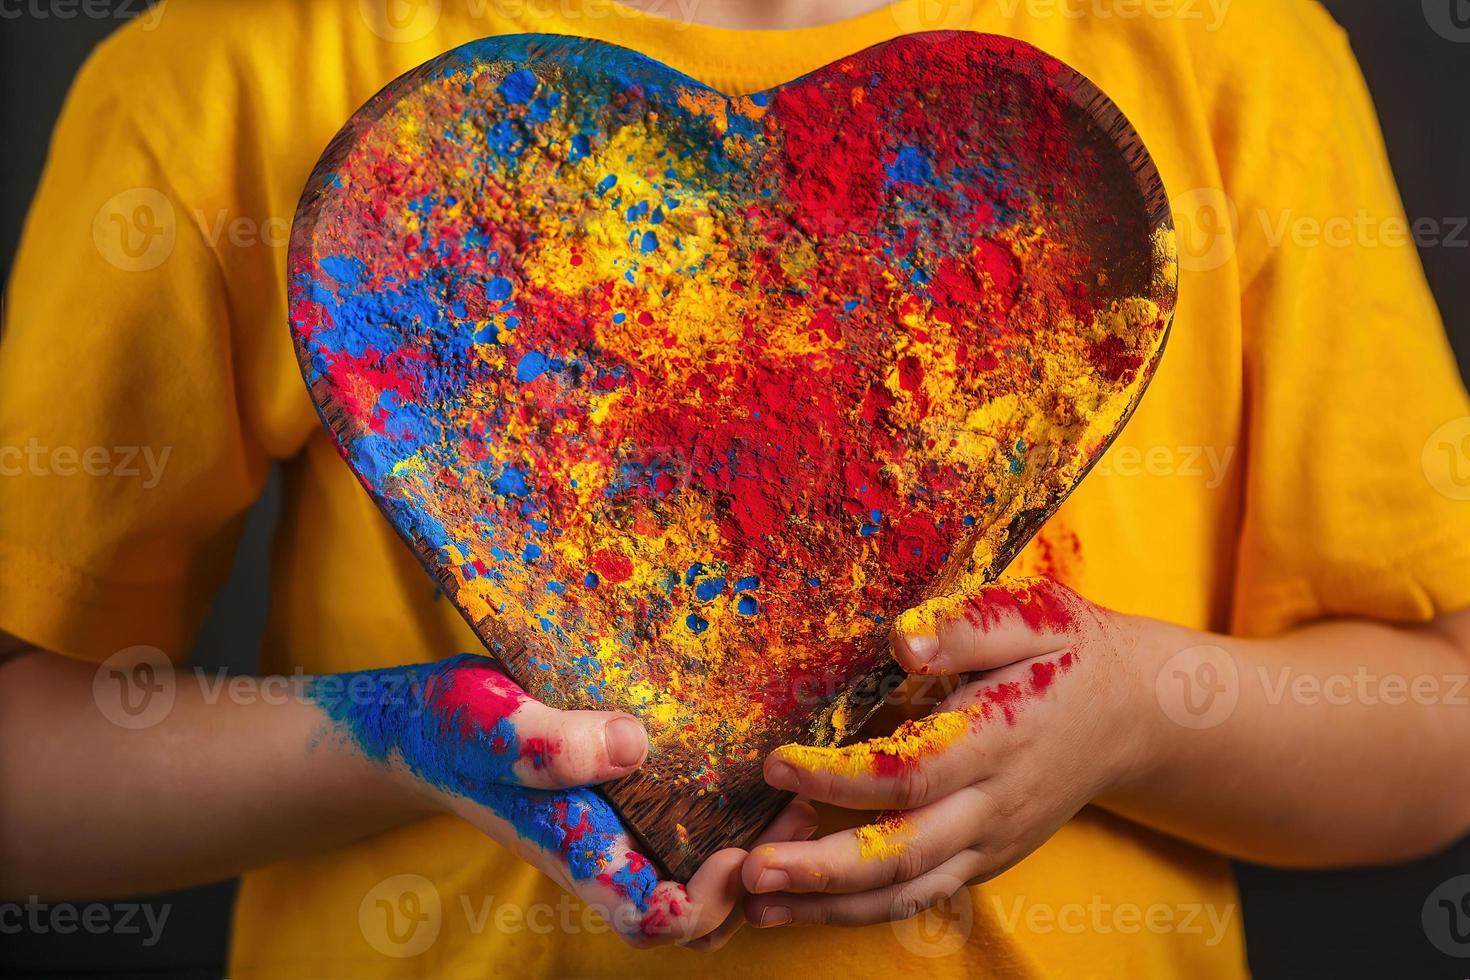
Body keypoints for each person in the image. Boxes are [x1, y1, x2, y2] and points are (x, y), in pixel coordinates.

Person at [3, 0, 1469, 976]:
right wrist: (393, 743)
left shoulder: (1224, 58)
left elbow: (1439, 724)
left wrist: (1134, 717)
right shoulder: (236, 71)